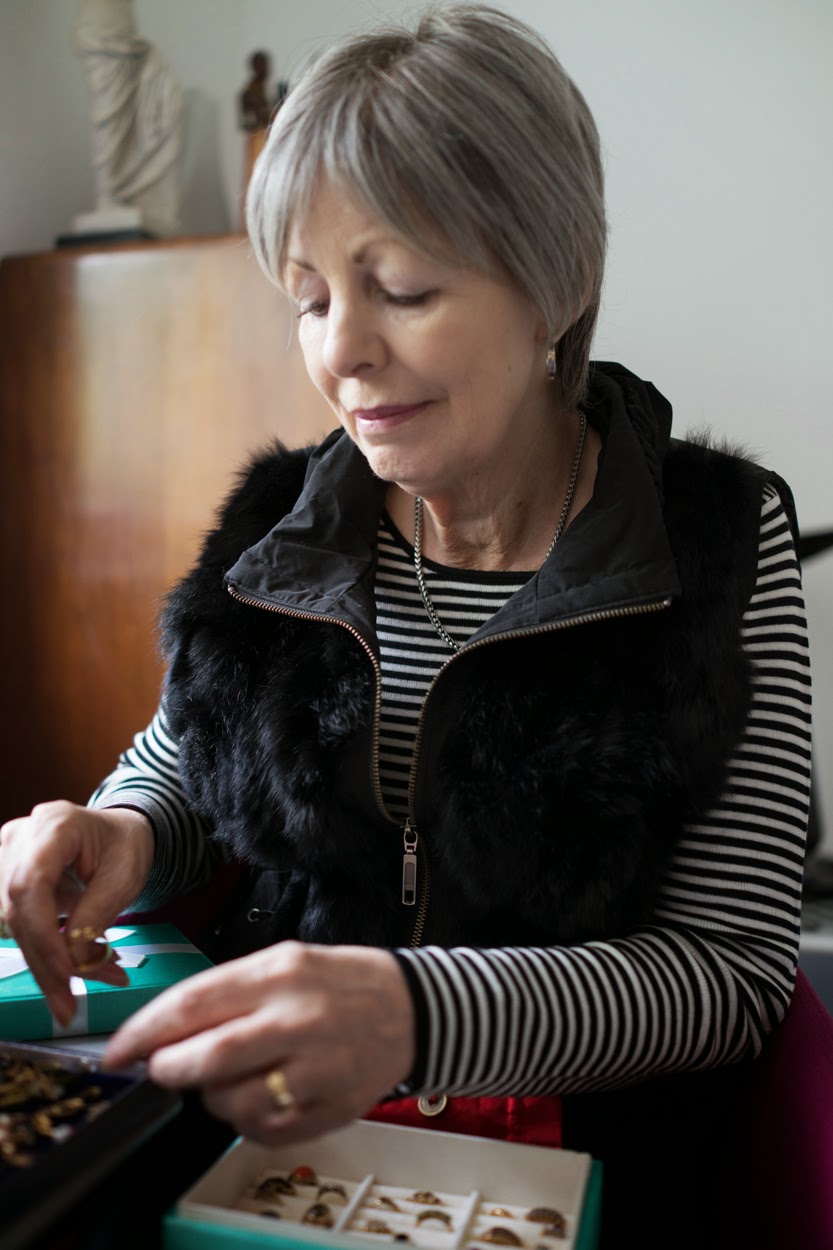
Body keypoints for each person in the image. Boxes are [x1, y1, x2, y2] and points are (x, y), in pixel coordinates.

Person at [0, 6, 811, 1247]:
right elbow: (183, 766)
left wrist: (414, 1011)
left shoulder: (715, 539)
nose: (342, 351)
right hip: (265, 1147)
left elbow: (728, 973)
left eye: (402, 290)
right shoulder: (285, 523)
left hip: (565, 1171)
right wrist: (116, 828)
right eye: (308, 298)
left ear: (557, 279)